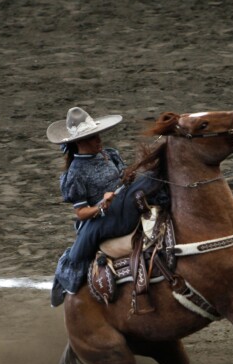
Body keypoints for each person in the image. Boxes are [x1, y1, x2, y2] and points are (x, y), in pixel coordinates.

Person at [48, 107, 166, 306]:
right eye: (93, 137)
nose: (99, 140)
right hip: (105, 216)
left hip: (124, 201)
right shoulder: (75, 174)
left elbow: (123, 181)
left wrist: (127, 177)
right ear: (79, 142)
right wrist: (101, 205)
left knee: (150, 179)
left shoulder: (109, 154)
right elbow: (81, 212)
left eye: (97, 135)